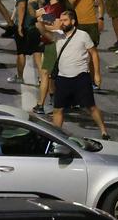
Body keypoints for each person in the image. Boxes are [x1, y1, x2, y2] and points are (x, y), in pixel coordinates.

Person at [37, 9, 110, 138]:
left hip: (80, 77)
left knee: (91, 107)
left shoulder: (83, 35)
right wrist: (46, 20)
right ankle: (56, 136)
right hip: (62, 78)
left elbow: (93, 53)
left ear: (73, 21)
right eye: (62, 20)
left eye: (65, 20)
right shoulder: (57, 35)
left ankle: (104, 131)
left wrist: (97, 74)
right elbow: (40, 28)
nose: (63, 23)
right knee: (58, 109)